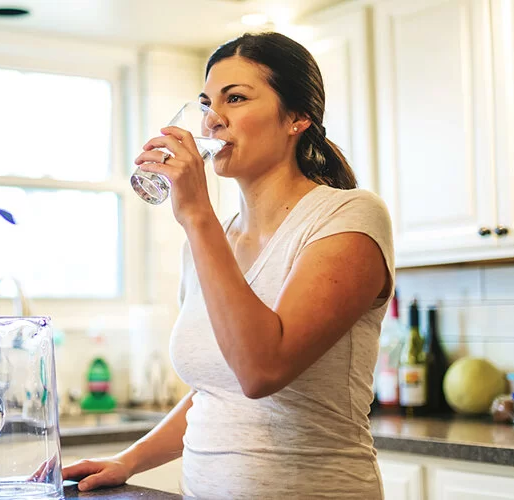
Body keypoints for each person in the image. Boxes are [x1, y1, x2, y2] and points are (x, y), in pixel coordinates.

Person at [63, 32, 394, 499]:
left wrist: (197, 217)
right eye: (206, 102)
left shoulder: (349, 216)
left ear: (297, 117)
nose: (212, 119)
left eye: (235, 98)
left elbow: (261, 371)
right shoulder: (209, 242)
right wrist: (128, 460)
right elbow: (216, 394)